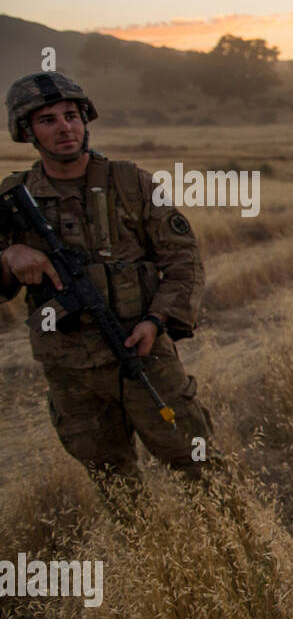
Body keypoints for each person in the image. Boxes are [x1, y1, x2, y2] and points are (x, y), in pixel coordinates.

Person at [0, 72, 213, 491]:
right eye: (48, 120)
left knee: (199, 468)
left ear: (85, 120)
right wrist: (7, 256)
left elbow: (184, 260)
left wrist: (156, 320)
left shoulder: (131, 183)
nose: (64, 127)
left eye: (71, 116)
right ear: (27, 132)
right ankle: (145, 553)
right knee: (112, 480)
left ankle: (235, 552)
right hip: (70, 369)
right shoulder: (14, 198)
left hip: (143, 355)